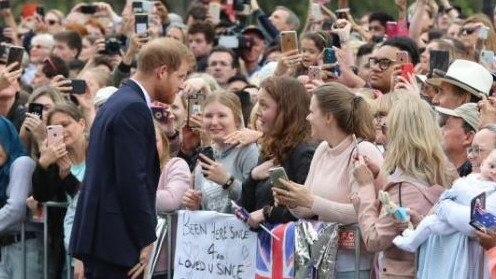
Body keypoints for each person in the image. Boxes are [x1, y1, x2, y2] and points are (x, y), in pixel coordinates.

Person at [69, 37, 194, 279]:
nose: (182, 85)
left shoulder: (118, 102)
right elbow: (132, 180)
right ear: (162, 72)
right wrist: (146, 237)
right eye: (180, 76)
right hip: (117, 243)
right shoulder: (132, 108)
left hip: (104, 240)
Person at [273, 82, 384, 278]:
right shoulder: (323, 149)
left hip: (354, 265)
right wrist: (292, 200)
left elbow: (364, 212)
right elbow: (307, 208)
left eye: (311, 112)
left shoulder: (362, 151)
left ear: (328, 117)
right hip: (321, 259)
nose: (307, 118)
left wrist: (311, 201)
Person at [352, 94, 454, 278]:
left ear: (398, 134)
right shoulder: (445, 172)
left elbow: (374, 239)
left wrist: (366, 187)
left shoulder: (403, 187)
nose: (383, 132)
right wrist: (380, 175)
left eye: (386, 127)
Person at [241, 76, 315, 226]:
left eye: (264, 106)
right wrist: (253, 177)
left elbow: (308, 211)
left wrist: (267, 213)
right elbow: (246, 208)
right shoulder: (270, 149)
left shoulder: (304, 153)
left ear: (285, 110)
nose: (258, 112)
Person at [393, 149, 496, 252]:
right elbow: (450, 195)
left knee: (430, 224)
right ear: (482, 164)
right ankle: (412, 239)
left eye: (480, 149)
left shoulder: (492, 187)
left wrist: (448, 200)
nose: (494, 172)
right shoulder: (472, 177)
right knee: (428, 223)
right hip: (450, 223)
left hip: (464, 248)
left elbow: (477, 219)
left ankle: (411, 241)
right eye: (491, 166)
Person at [181, 92, 259, 213]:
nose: (214, 122)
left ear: (237, 120)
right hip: (210, 230)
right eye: (208, 116)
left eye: (222, 115)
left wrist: (228, 181)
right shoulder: (205, 156)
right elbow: (204, 209)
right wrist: (194, 205)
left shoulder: (249, 151)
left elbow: (255, 202)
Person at [0, 117, 39, 279]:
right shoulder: (3, 172)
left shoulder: (22, 163)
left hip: (25, 247)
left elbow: (16, 209)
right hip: (7, 248)